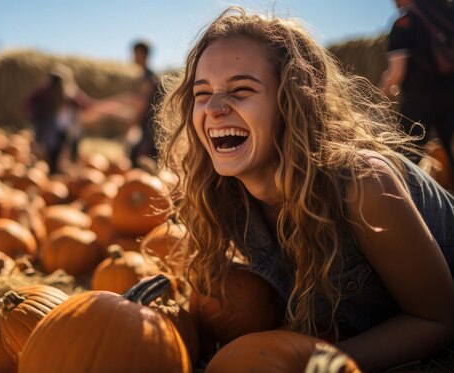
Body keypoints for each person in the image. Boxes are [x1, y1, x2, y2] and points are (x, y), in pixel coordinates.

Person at [156, 6, 454, 371]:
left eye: (242, 89)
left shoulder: (364, 186)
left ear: (294, 99)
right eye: (202, 94)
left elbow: (437, 321)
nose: (215, 107)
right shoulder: (225, 196)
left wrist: (309, 364)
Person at [379, 0, 454, 171]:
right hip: (451, 95)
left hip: (419, 101)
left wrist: (383, 91)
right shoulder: (447, 14)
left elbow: (397, 72)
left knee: (405, 163)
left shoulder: (404, 22)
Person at [23, 64, 93, 173]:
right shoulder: (46, 92)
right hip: (50, 125)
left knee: (56, 150)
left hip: (58, 127)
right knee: (50, 150)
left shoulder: (69, 92)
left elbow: (84, 104)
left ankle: (53, 170)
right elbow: (30, 105)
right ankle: (49, 171)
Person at [127, 40, 162, 168]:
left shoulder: (148, 77)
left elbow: (142, 105)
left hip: (149, 129)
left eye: (135, 53)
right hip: (150, 128)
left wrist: (131, 123)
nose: (133, 57)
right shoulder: (149, 76)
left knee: (141, 162)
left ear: (142, 54)